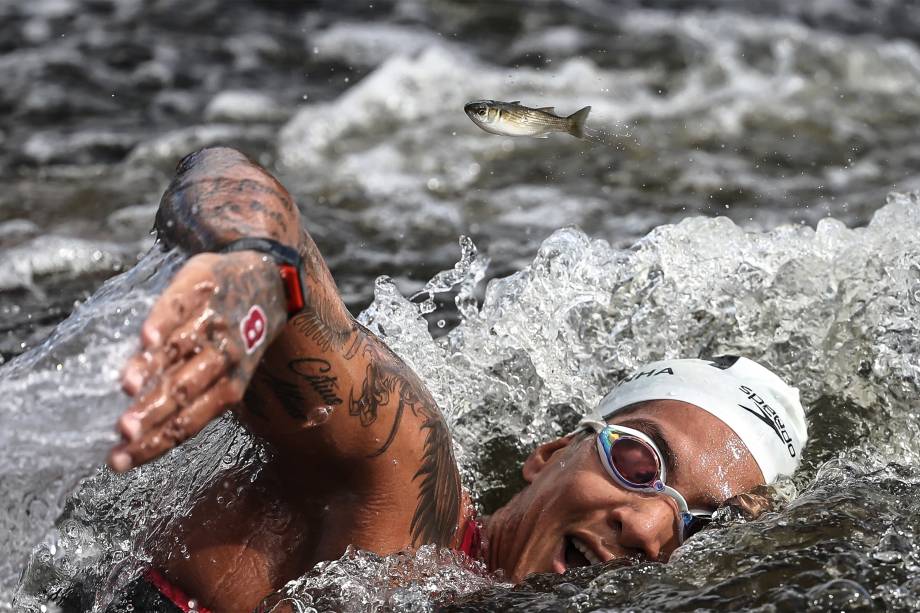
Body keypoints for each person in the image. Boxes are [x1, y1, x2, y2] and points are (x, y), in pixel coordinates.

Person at [107, 147, 808, 612]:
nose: (652, 525)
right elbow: (241, 187)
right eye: (639, 459)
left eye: (700, 525)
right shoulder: (399, 487)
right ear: (550, 451)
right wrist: (249, 262)